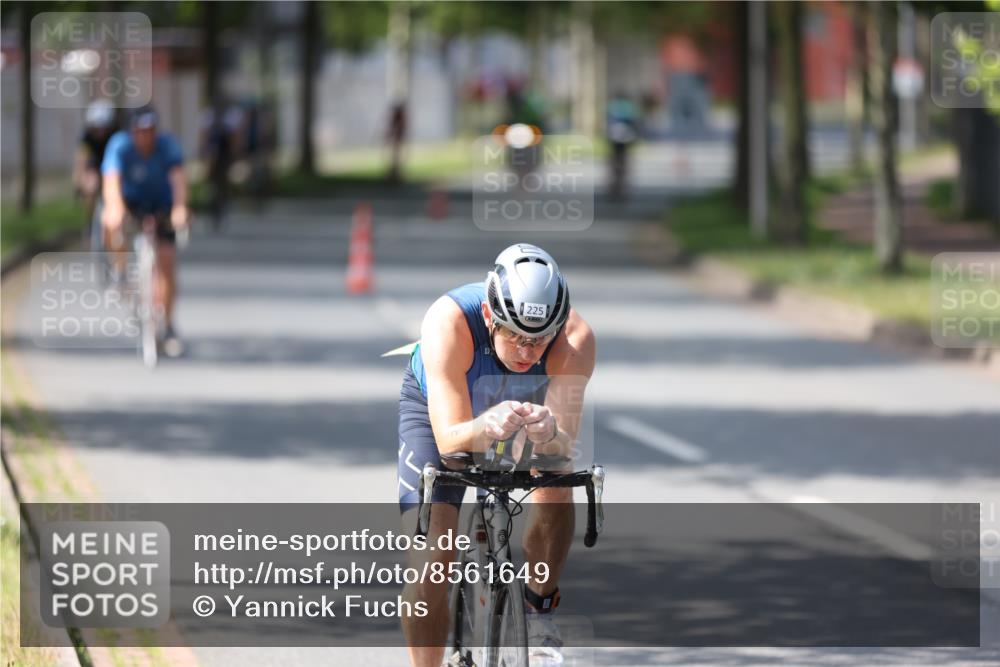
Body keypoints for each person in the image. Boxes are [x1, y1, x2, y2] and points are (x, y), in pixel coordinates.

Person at [397, 244, 596, 667]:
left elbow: (563, 444)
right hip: (448, 410)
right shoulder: (448, 321)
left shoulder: (575, 339)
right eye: (515, 336)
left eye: (539, 339)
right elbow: (451, 439)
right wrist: (485, 426)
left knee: (556, 481)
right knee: (434, 557)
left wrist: (549, 432)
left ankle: (538, 610)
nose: (527, 352)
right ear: (490, 317)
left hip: (525, 403)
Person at [101, 105, 189, 358]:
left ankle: (169, 325)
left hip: (161, 206)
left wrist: (180, 208)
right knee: (109, 219)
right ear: (132, 131)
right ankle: (119, 272)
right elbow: (111, 182)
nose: (145, 136)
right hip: (132, 205)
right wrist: (116, 209)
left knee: (167, 261)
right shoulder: (119, 146)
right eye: (140, 131)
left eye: (150, 130)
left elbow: (178, 179)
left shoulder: (167, 146)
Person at [74, 99, 118, 244]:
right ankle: (90, 221)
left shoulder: (117, 136)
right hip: (95, 166)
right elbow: (82, 159)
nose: (99, 132)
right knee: (90, 185)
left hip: (113, 167)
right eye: (96, 128)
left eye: (103, 128)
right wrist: (79, 182)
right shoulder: (86, 137)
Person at [606, 90, 640, 200]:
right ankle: (623, 185)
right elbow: (634, 122)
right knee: (624, 161)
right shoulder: (629, 107)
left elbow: (608, 122)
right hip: (626, 137)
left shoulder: (612, 106)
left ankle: (614, 186)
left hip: (614, 138)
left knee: (614, 161)